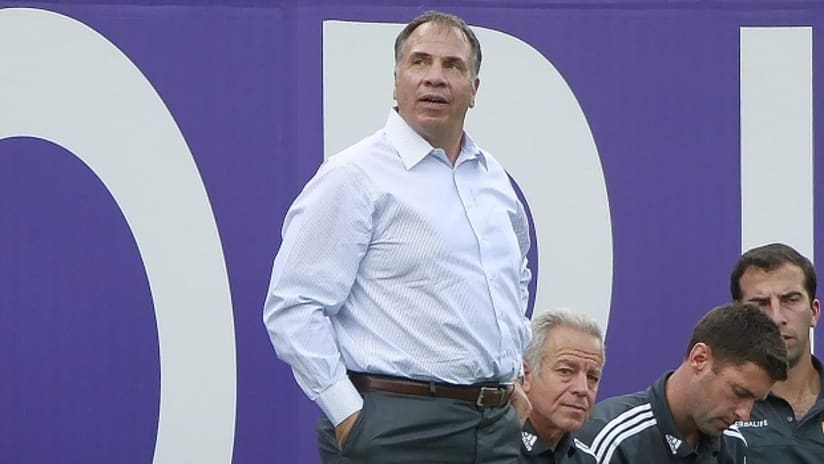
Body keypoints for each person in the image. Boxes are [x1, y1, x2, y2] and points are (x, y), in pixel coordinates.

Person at [262, 10, 532, 463]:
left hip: (495, 430)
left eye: (453, 66)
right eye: (419, 62)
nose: (435, 78)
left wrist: (510, 375)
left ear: (475, 89)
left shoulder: (495, 182)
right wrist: (348, 415)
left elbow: (513, 280)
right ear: (395, 81)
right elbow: (292, 307)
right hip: (396, 427)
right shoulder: (355, 176)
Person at [578, 302, 788, 463]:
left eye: (756, 401)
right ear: (699, 358)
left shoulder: (733, 444)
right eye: (739, 392)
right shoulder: (611, 438)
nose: (744, 414)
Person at [729, 243, 824, 462]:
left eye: (791, 299)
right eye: (760, 303)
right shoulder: (721, 406)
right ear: (739, 317)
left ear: (814, 312)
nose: (776, 317)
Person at [519, 310, 603, 463]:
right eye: (566, 371)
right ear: (525, 376)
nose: (582, 389)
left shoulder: (586, 460)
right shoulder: (491, 452)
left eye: (592, 377)